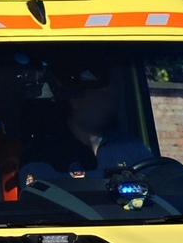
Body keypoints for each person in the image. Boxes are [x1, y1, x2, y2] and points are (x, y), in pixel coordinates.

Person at [18, 68, 151, 188]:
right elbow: (40, 206)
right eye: (99, 97)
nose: (107, 106)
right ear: (75, 101)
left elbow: (160, 181)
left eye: (110, 98)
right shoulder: (43, 154)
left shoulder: (130, 145)